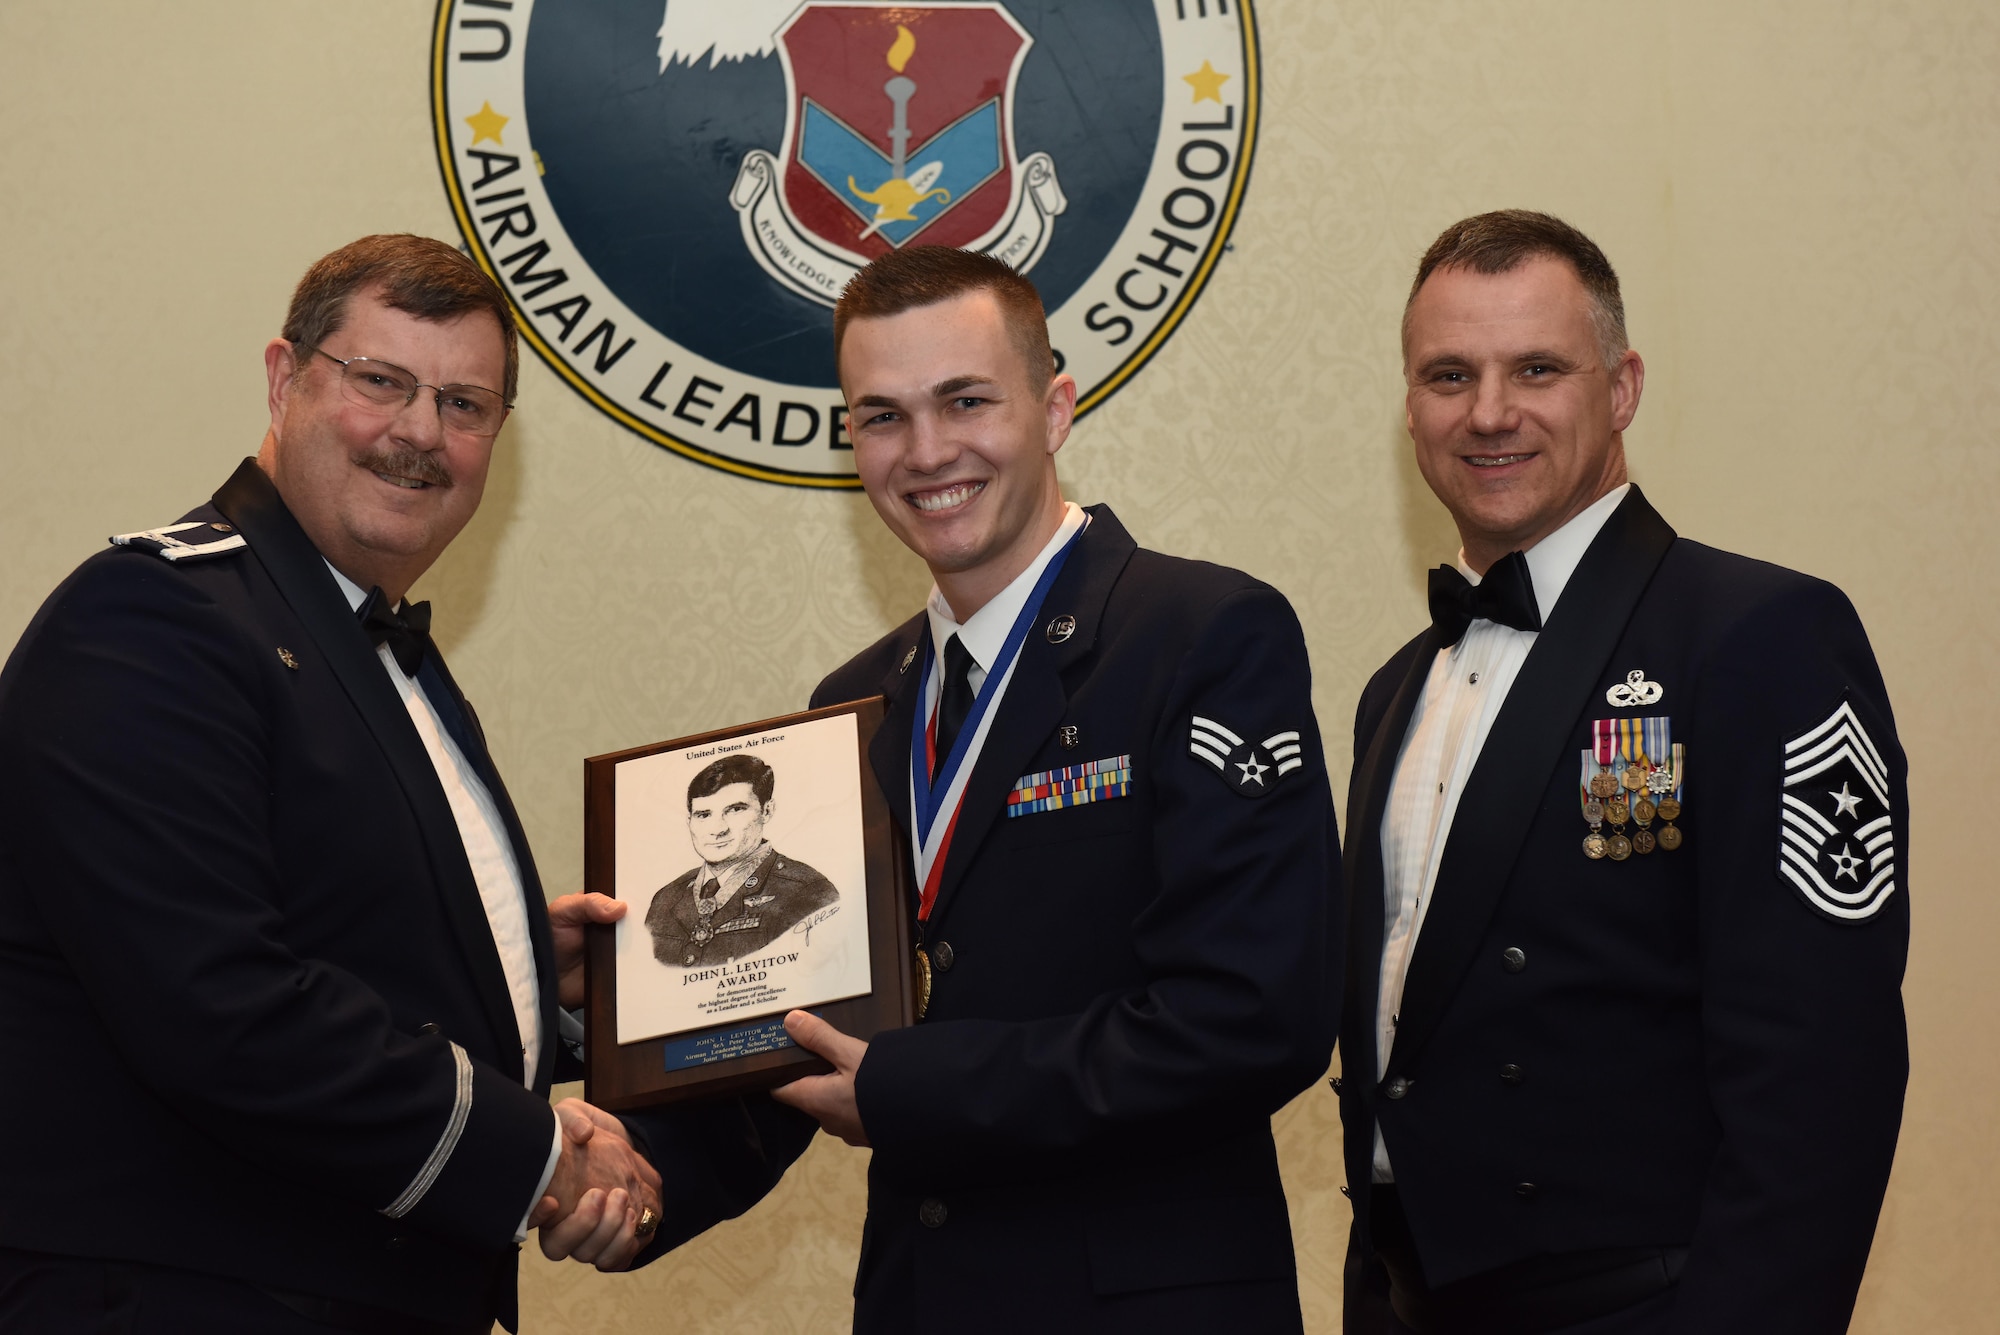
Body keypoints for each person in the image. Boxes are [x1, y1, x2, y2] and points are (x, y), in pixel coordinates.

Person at [622, 246, 1341, 1332]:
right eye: (880, 416)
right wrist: (628, 1180)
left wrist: (912, 1089)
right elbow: (803, 1033)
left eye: (965, 401)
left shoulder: (1199, 636)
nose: (925, 453)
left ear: (1054, 407)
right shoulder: (856, 701)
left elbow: (1251, 1018)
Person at [0, 234, 658, 1334]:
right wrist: (543, 1153)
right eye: (380, 382)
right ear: (283, 377)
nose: (417, 433)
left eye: (464, 404)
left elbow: (324, 930)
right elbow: (220, 1006)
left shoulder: (369, 648)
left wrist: (526, 989)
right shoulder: (155, 620)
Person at [1336, 210, 1908, 1334]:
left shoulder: (1760, 635)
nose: (1488, 412)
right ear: (1408, 407)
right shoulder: (1394, 689)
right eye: (1448, 375)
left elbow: (1818, 1079)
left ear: (1623, 386)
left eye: (1536, 369)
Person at [645, 753, 840, 967]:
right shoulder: (666, 899)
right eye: (703, 815)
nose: (718, 829)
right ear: (689, 821)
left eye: (735, 810)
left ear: (767, 811)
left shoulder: (807, 891)